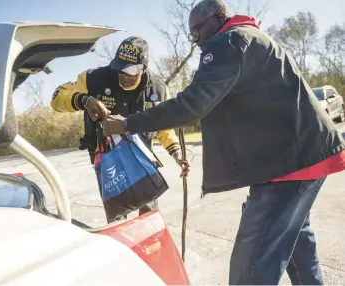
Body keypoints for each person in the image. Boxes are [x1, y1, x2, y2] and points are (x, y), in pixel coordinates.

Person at [102, 0, 345, 284]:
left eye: (198, 30)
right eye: (191, 33)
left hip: (288, 164)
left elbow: (194, 104)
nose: (196, 39)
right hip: (308, 153)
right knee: (297, 245)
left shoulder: (227, 42)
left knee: (250, 266)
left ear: (219, 17)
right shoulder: (251, 38)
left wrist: (128, 123)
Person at [51, 36, 190, 223]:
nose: (124, 76)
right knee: (117, 217)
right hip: (108, 160)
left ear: (144, 68)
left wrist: (177, 154)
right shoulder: (93, 79)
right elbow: (56, 98)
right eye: (120, 70)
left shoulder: (158, 88)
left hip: (143, 159)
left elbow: (164, 128)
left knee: (149, 215)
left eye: (131, 72)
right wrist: (85, 100)